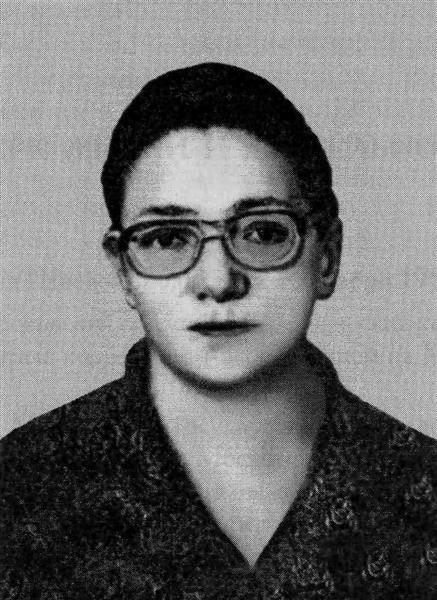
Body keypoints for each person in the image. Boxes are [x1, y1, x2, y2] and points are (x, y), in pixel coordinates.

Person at [1, 63, 435, 600]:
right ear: (123, 270)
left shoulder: (422, 488)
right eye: (167, 239)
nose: (218, 281)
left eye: (264, 232)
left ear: (327, 256)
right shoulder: (19, 489)